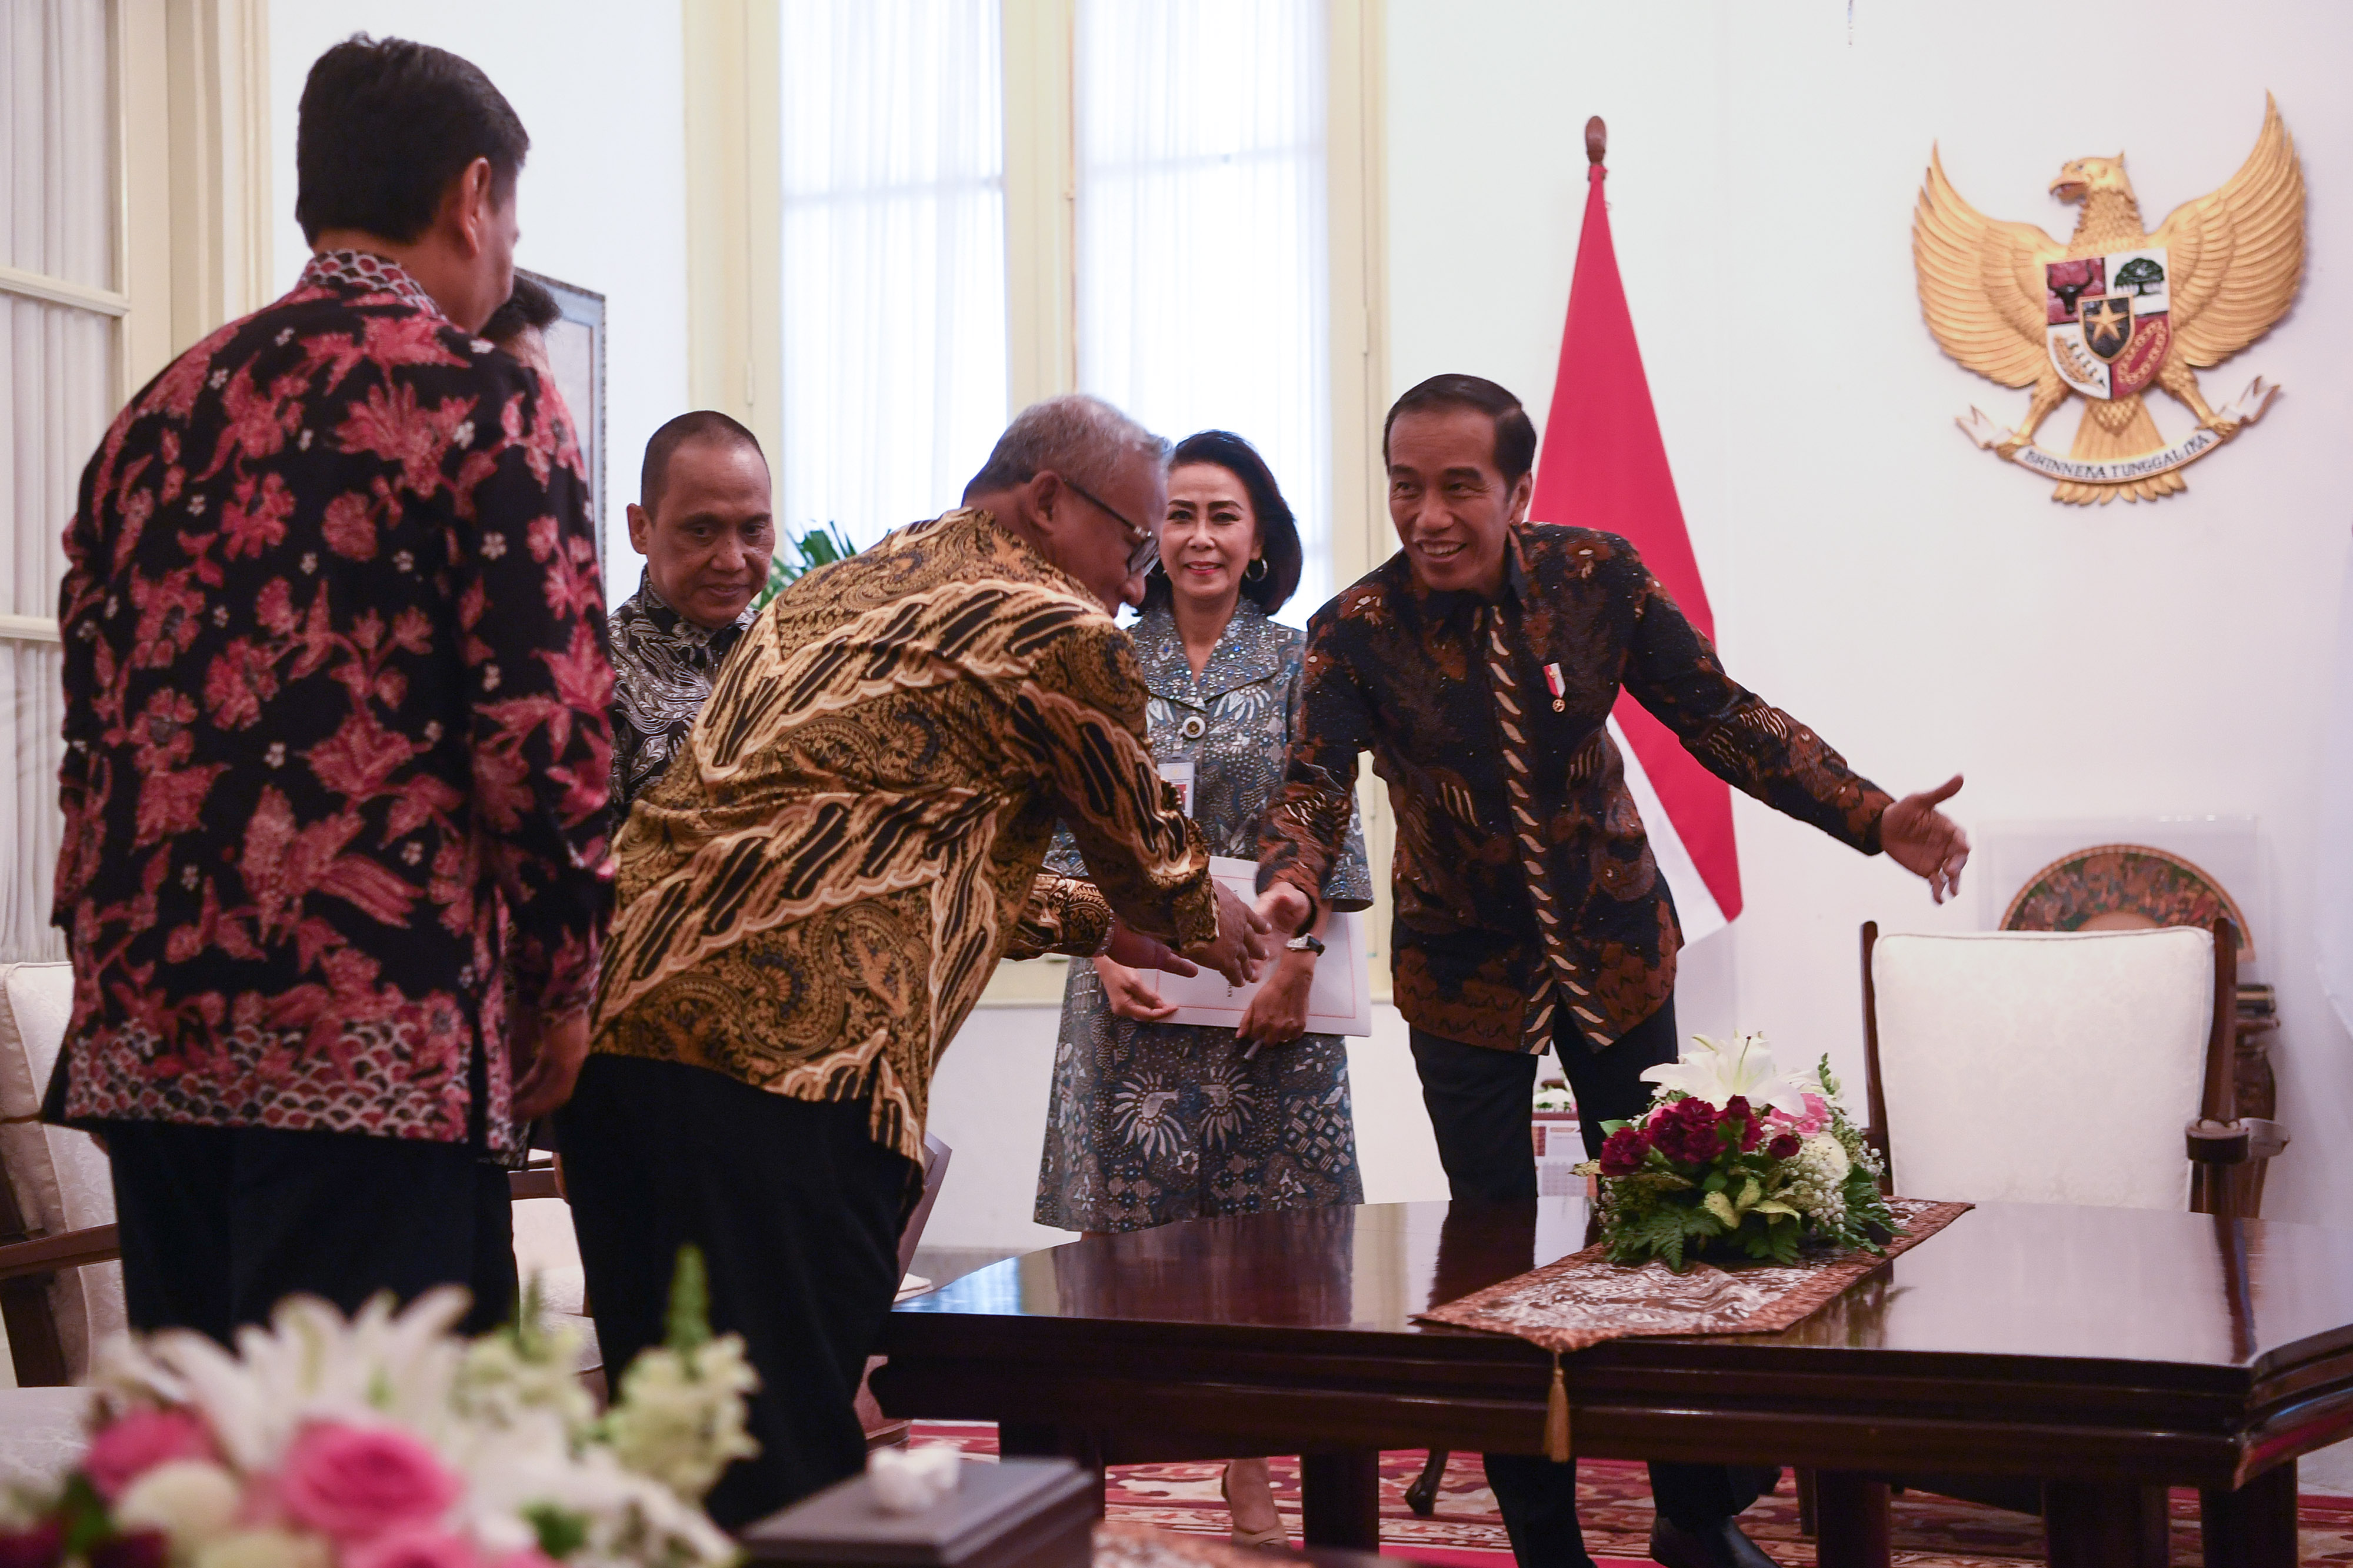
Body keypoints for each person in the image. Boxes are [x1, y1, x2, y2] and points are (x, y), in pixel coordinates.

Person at [1254, 375, 1971, 1568]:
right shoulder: (1352, 631)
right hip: (1460, 975)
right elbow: (1314, 786)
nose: (1425, 515)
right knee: (1490, 1271)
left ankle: (1696, 1513)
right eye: (1402, 487)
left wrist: (1867, 813)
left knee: (1659, 1230)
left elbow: (1722, 718)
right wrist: (1286, 879)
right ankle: (1544, 1541)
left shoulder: (1596, 580)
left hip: (1614, 951)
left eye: (1457, 488)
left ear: (1518, 490)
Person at [560, 394, 1277, 1528]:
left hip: (623, 1059)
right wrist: (1201, 915)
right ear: (1047, 502)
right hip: (788, 1080)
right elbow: (1153, 864)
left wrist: (1097, 923)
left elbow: (886, 860)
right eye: (1132, 540)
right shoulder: (1058, 626)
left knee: (661, 1446)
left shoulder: (844, 587)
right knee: (785, 1464)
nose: (1138, 581)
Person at [44, 36, 614, 1343]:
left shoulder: (157, 412)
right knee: (382, 1491)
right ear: (473, 197)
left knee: (217, 1484)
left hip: (152, 1038)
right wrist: (564, 988)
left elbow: (92, 740)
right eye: (512, 222)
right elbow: (544, 737)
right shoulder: (486, 404)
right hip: (373, 1038)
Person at [1032, 429, 1370, 1548]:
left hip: (1275, 1007)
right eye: (1177, 514)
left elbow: (1329, 817)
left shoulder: (1303, 661)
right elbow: (1058, 832)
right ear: (1148, 536)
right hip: (1141, 1009)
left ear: (1259, 534)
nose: (1199, 537)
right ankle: (1087, 1484)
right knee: (1121, 1272)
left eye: (1223, 514)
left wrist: (1301, 960)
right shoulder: (1095, 652)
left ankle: (1254, 1469)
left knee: (1284, 1270)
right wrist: (1102, 953)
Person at [605, 412, 776, 816]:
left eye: (753, 530)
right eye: (702, 531)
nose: (733, 560)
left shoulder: (796, 653)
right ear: (641, 529)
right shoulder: (597, 678)